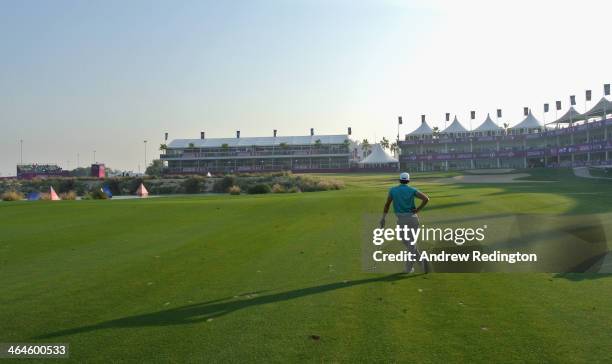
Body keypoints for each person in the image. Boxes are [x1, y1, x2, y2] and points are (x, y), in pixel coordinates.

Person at [380, 172, 430, 273]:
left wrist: (383, 218)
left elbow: (387, 205)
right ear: (408, 181)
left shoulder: (393, 190)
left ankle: (408, 268)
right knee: (408, 243)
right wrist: (418, 209)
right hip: (412, 218)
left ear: (399, 180)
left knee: (410, 243)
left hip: (402, 220)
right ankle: (422, 262)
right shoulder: (412, 190)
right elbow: (426, 199)